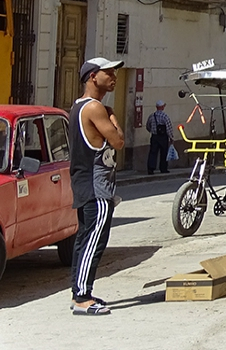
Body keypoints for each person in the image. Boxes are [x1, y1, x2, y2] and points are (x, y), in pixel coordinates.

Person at [69, 57, 126, 316]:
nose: (113, 77)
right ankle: (82, 298)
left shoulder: (77, 106)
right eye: (109, 73)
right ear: (93, 76)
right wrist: (113, 115)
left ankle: (80, 292)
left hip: (84, 185)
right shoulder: (95, 108)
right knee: (94, 241)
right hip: (97, 188)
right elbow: (118, 142)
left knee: (84, 240)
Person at [145, 100, 174, 175]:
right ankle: (163, 168)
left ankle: (151, 168)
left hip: (154, 136)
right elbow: (169, 127)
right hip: (163, 137)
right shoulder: (165, 116)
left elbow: (148, 126)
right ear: (162, 107)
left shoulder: (152, 116)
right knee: (163, 153)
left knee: (153, 152)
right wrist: (171, 137)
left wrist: (152, 131)